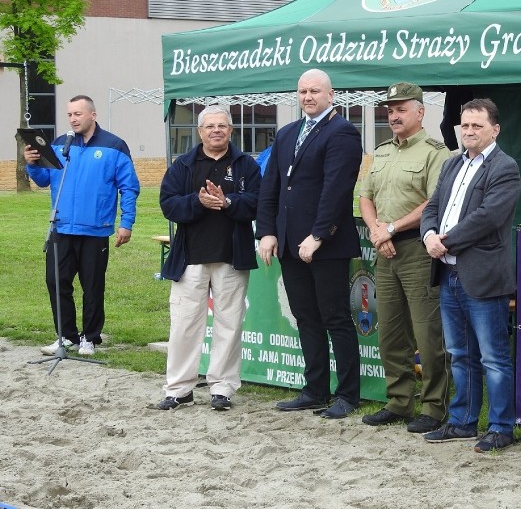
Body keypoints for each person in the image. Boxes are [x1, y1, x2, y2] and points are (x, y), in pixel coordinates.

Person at [257, 69, 363, 419]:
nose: (307, 96)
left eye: (315, 90)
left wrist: (318, 235)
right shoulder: (287, 133)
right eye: (302, 91)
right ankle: (315, 390)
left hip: (326, 244)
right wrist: (268, 231)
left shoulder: (343, 133)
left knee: (335, 318)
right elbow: (271, 186)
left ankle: (347, 394)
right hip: (289, 243)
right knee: (305, 317)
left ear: (331, 94)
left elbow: (336, 189)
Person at [420, 98, 521, 452]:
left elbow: (488, 217)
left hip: (482, 276)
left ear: (495, 129)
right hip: (448, 275)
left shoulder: (504, 167)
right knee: (460, 354)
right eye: (465, 125)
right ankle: (462, 421)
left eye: (477, 125)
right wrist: (429, 235)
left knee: (493, 357)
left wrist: (445, 242)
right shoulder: (451, 165)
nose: (469, 131)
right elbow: (432, 207)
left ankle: (501, 427)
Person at [359, 82, 452, 433]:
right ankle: (399, 402)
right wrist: (376, 230)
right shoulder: (381, 151)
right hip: (385, 248)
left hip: (417, 248)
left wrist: (393, 228)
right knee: (391, 334)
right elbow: (365, 196)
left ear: (420, 112)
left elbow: (435, 202)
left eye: (401, 109)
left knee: (427, 334)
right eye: (390, 110)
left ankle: (433, 407)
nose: (394, 115)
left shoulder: (435, 153)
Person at [155, 105, 261, 411]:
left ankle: (222, 388)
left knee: (229, 323)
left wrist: (227, 201)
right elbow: (168, 204)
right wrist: (198, 201)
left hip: (231, 256)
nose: (216, 130)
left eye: (222, 126)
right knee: (185, 325)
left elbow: (258, 202)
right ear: (200, 132)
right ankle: (179, 389)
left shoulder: (246, 166)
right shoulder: (183, 165)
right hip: (191, 258)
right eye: (210, 126)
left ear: (231, 130)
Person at [24, 95, 140, 356]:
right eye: (69, 115)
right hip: (61, 227)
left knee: (92, 285)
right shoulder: (59, 145)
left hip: (95, 229)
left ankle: (90, 337)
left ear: (93, 115)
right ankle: (66, 336)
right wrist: (32, 164)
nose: (73, 119)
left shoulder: (114, 146)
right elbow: (44, 180)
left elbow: (129, 188)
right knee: (56, 282)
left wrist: (126, 223)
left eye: (78, 114)